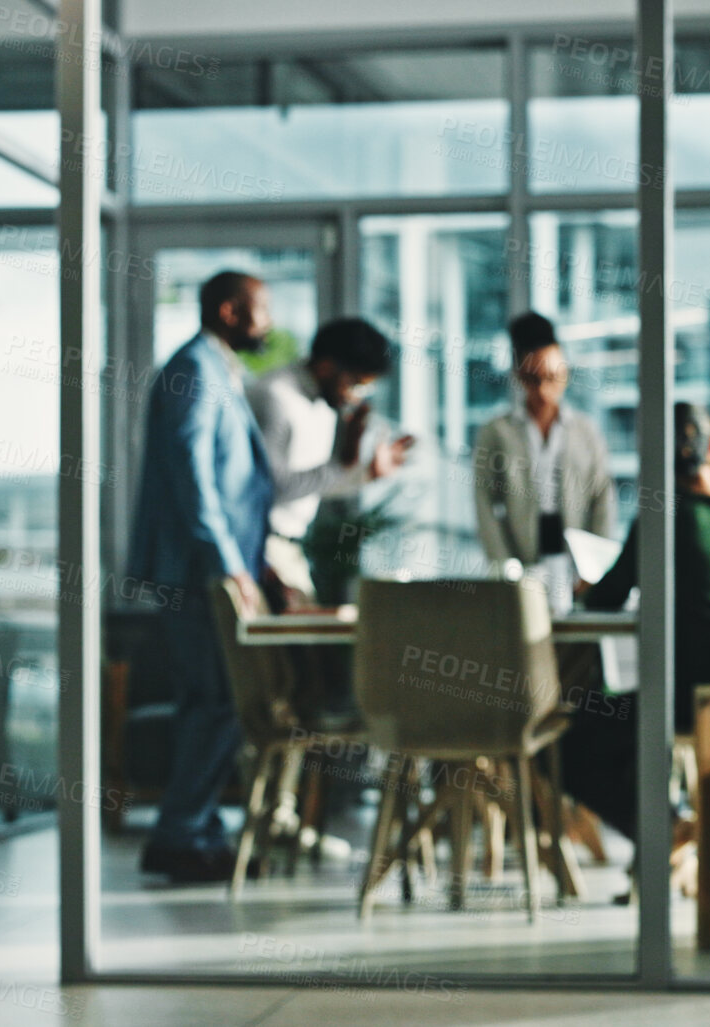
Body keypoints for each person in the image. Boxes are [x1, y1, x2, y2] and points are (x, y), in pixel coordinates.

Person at [560, 403, 710, 846]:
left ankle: (666, 831)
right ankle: (673, 824)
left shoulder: (663, 516)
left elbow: (605, 599)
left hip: (684, 698)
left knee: (570, 743)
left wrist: (586, 587)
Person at [125, 270, 276, 883]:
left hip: (204, 569)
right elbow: (194, 478)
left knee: (212, 702)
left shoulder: (216, 369)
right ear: (229, 310)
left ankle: (197, 831)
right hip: (194, 572)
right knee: (215, 701)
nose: (269, 322)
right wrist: (231, 566)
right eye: (260, 309)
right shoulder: (193, 368)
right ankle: (179, 834)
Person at [247, 317, 414, 609]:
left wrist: (366, 474)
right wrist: (343, 464)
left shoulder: (325, 406)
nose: (355, 396)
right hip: (260, 550)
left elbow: (311, 486)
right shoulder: (274, 396)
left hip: (289, 549)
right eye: (355, 384)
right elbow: (272, 487)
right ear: (326, 366)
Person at [472, 312, 616, 612]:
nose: (543, 390)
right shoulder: (497, 431)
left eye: (552, 377)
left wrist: (597, 568)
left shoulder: (585, 431)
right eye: (531, 379)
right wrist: (504, 566)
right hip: (523, 558)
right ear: (518, 376)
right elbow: (484, 501)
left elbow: (602, 497)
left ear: (565, 371)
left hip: (575, 560)